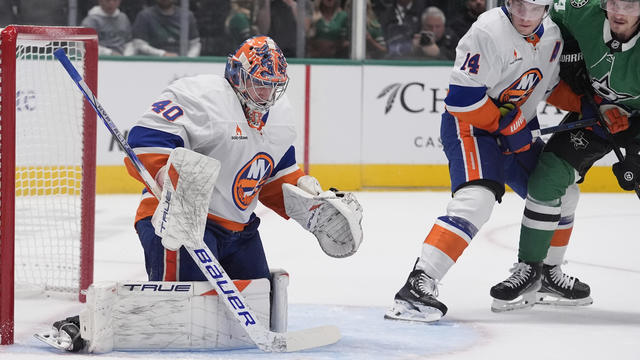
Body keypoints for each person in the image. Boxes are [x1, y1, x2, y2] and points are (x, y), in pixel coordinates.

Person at [42, 36, 363, 352]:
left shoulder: (280, 115)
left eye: (273, 85)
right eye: (258, 83)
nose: (265, 94)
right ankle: (85, 323)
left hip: (240, 229)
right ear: (238, 74)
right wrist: (175, 181)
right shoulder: (200, 97)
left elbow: (275, 175)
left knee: (254, 311)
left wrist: (309, 202)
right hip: (177, 222)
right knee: (176, 315)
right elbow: (144, 141)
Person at [384, 0, 575, 322]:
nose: (525, 16)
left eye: (535, 8)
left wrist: (598, 107)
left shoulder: (553, 36)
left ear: (547, 8)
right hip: (470, 128)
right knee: (477, 200)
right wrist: (505, 126)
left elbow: (550, 88)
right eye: (519, 5)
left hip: (516, 127)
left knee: (563, 192)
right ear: (509, 2)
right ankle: (419, 282)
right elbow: (461, 99)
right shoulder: (488, 30)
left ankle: (547, 273)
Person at [490, 0, 640, 310]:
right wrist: (568, 48)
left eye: (629, 4)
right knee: (547, 179)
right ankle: (533, 269)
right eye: (613, 2)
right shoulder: (581, 10)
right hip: (596, 114)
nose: (618, 12)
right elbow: (538, 13)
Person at [132, 0, 201, 57]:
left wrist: (188, 59)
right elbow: (139, 44)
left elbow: (195, 44)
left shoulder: (187, 16)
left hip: (182, 62)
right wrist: (163, 54)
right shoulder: (145, 15)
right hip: (153, 62)